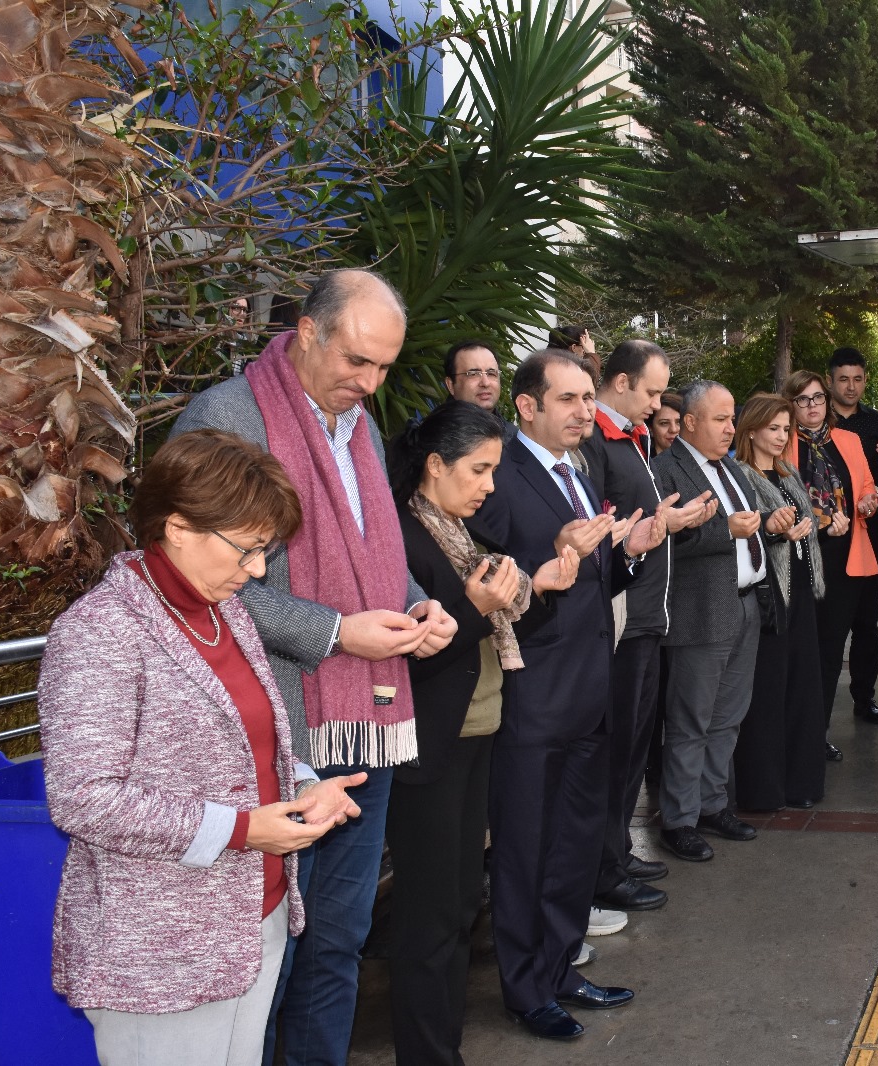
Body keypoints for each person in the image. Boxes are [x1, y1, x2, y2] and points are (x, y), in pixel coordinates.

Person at [171, 268, 458, 1066]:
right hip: (276, 731)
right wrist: (336, 633)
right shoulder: (227, 417)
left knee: (338, 940)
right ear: (306, 332)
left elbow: (378, 554)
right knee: (271, 956)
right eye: (356, 362)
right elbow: (205, 580)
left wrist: (416, 607)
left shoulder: (356, 421)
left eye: (384, 369)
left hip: (364, 722)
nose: (367, 384)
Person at [39, 429, 364, 1066]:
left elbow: (250, 743)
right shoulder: (100, 633)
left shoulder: (225, 610)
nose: (258, 571)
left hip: (250, 917)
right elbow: (84, 800)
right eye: (247, 550)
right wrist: (244, 829)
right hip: (158, 948)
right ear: (179, 526)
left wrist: (301, 785)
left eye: (264, 550)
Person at [465, 349, 666, 1041]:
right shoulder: (500, 477)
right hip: (531, 694)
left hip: (588, 691)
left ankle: (558, 967)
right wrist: (545, 562)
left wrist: (631, 550)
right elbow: (485, 581)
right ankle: (525, 989)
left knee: (573, 845)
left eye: (588, 398)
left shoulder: (578, 470)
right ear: (527, 406)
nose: (585, 411)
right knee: (525, 848)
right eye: (570, 399)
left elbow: (594, 581)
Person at [386, 401, 581, 1065]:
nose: (490, 485)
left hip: (474, 736)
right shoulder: (404, 538)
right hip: (430, 747)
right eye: (479, 470)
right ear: (434, 466)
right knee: (433, 914)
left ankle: (443, 1046)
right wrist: (478, 606)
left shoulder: (452, 531)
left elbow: (488, 623)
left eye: (495, 470)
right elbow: (417, 645)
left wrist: (538, 586)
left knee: (461, 900)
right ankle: (428, 1051)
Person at [580, 339, 717, 916]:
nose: (659, 404)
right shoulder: (600, 443)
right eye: (652, 392)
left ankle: (616, 853)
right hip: (622, 618)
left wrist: (674, 522)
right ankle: (604, 868)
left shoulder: (631, 441)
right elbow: (607, 528)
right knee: (614, 750)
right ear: (619, 383)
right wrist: (664, 521)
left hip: (646, 615)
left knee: (634, 747)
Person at [651, 380, 793, 861]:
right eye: (720, 418)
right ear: (689, 422)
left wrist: (767, 526)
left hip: (745, 603)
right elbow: (664, 541)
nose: (731, 428)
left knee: (728, 716)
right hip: (700, 612)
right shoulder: (665, 469)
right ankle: (680, 819)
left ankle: (713, 805)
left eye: (732, 418)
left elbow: (745, 525)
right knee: (690, 719)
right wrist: (722, 529)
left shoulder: (729, 467)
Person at [731, 394, 825, 810]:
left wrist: (812, 523)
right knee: (767, 693)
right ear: (750, 429)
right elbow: (744, 536)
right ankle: (763, 791)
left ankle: (800, 783)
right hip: (769, 595)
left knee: (804, 687)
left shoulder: (787, 473)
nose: (781, 436)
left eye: (786, 429)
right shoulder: (739, 476)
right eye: (773, 428)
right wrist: (773, 531)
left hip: (801, 589)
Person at [783, 369, 878, 762]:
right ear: (790, 404)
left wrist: (868, 503)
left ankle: (816, 732)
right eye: (803, 399)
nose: (812, 406)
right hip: (796, 558)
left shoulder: (849, 440)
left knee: (828, 651)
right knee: (797, 650)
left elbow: (868, 485)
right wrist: (822, 522)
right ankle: (793, 730)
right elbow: (771, 497)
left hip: (844, 561)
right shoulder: (780, 442)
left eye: (818, 398)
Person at [827, 347, 878, 726]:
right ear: (830, 380)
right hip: (828, 534)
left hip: (867, 531)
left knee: (867, 621)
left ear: (865, 380)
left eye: (857, 379)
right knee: (831, 623)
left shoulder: (873, 422)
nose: (851, 387)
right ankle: (819, 709)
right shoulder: (820, 421)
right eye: (843, 379)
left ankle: (864, 698)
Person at [442, 339, 504, 416]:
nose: (485, 383)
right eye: (474, 374)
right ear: (450, 385)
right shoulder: (435, 427)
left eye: (491, 374)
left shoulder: (511, 428)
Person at [650, 390, 683, 454]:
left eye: (679, 422)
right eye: (664, 423)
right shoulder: (640, 462)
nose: (673, 430)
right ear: (651, 429)